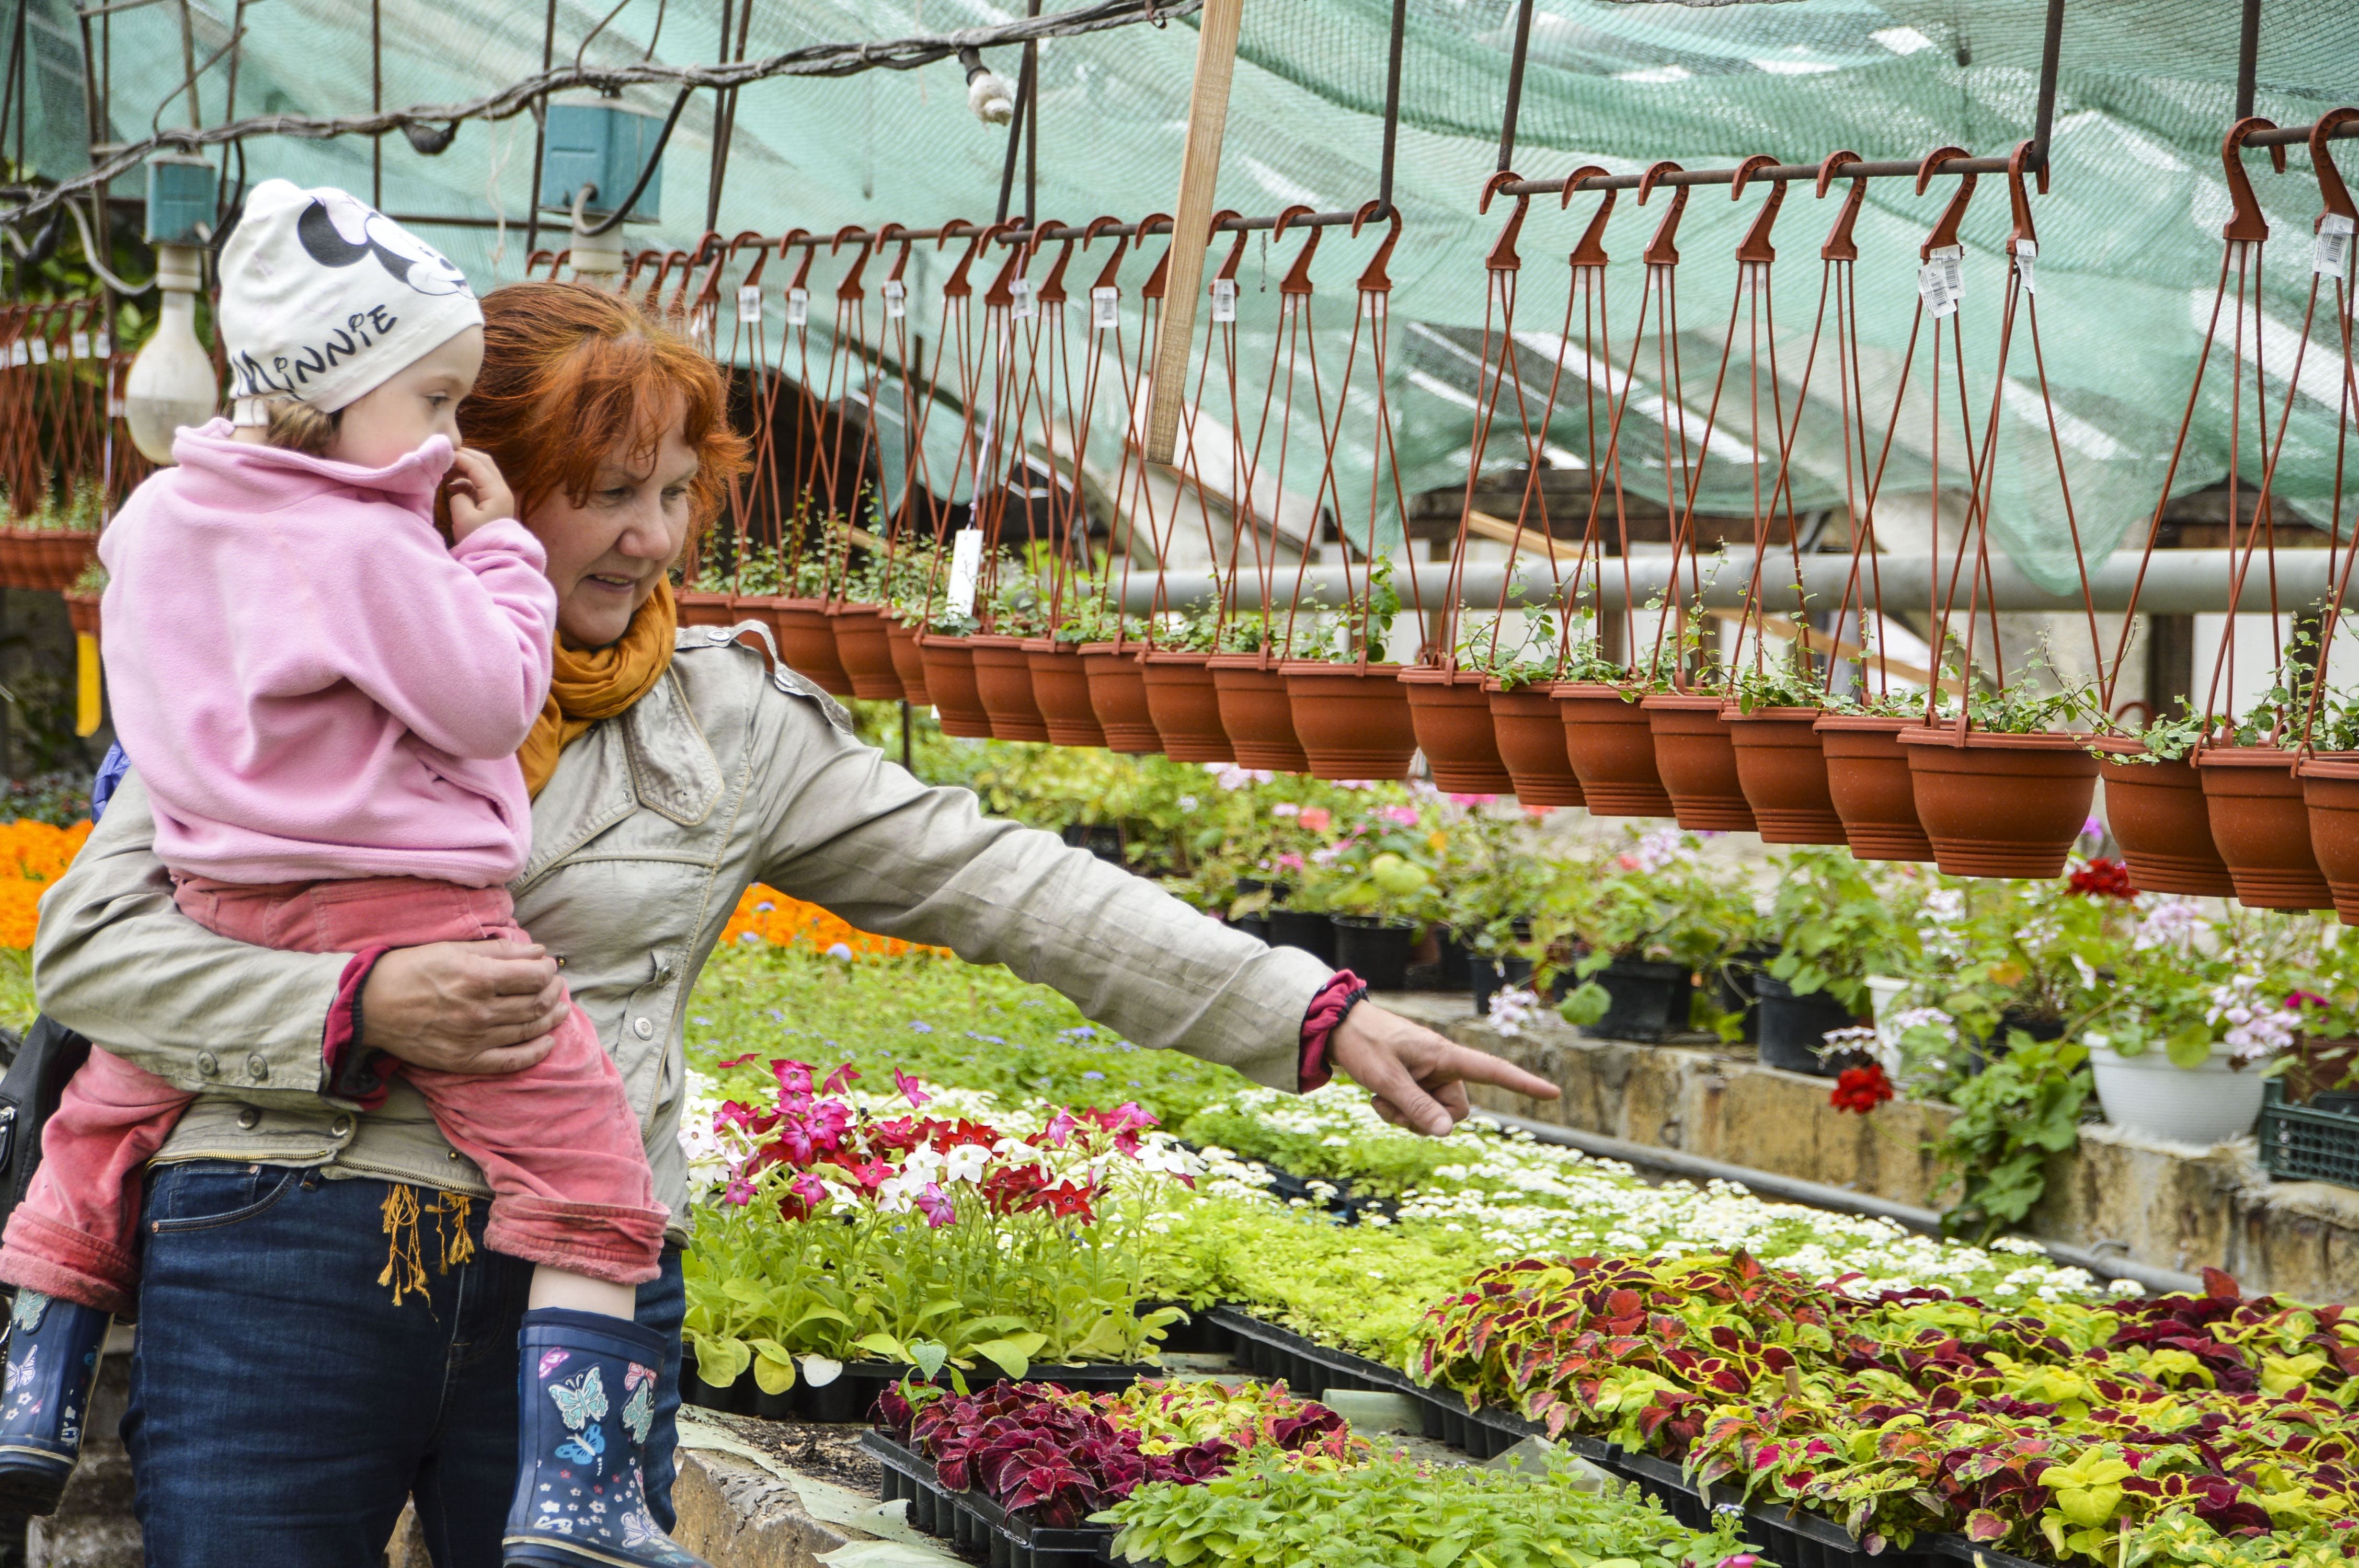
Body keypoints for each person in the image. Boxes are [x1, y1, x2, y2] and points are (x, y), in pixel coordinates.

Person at [30, 278, 1560, 1568]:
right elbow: (95, 955)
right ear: (462, 482)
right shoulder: (288, 672)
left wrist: (1315, 1010)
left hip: (580, 1278)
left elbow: (996, 877)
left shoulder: (726, 726)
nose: (652, 540)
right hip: (280, 1241)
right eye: (606, 495)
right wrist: (359, 1006)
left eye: (677, 494)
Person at [1, 182, 706, 1567]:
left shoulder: (162, 526)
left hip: (217, 884)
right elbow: (488, 698)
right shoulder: (365, 545)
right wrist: (495, 551)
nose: (450, 438)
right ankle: (583, 1491)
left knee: (98, 1123)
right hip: (393, 908)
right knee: (597, 1173)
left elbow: (153, 711)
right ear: (335, 388)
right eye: (438, 403)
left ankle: (34, 1386)